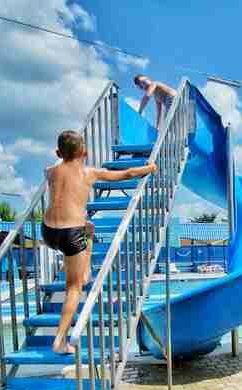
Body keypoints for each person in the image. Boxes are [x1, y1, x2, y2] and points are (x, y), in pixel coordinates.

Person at [43, 130, 157, 354]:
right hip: (70, 234)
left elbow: (53, 168)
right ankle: (59, 340)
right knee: (73, 288)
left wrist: (62, 156)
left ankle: (86, 271)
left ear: (58, 153)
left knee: (89, 229)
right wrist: (150, 168)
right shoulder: (89, 173)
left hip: (48, 232)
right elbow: (128, 174)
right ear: (84, 152)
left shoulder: (51, 172)